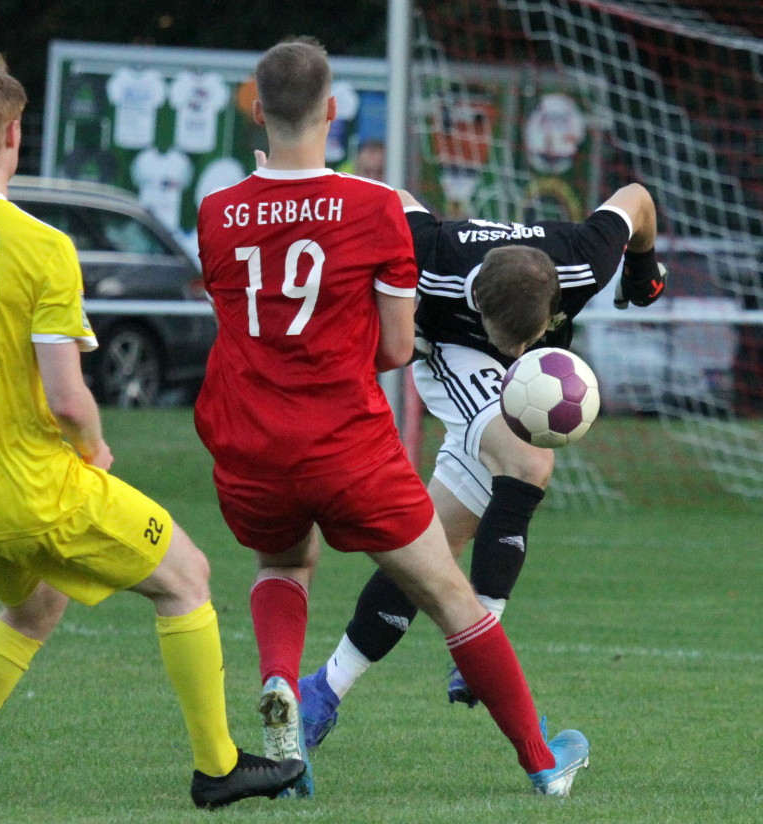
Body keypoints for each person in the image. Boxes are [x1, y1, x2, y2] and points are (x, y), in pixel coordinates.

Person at [0, 53, 304, 811]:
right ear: (14, 136)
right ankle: (219, 768)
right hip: (36, 486)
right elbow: (68, 397)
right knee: (188, 577)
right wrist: (93, 448)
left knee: (34, 607)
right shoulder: (43, 246)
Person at [194, 36, 590, 800]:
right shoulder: (375, 207)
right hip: (346, 445)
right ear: (332, 112)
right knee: (450, 596)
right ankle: (544, 761)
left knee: (282, 564)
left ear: (257, 110)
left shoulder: (216, 213)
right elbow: (398, 347)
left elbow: (238, 319)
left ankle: (283, 694)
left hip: (250, 442)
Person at [299, 180, 667, 743]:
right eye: (507, 340)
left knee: (428, 552)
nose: (518, 355)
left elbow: (637, 199)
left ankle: (322, 692)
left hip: (510, 380)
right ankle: (481, 640)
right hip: (450, 355)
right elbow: (389, 198)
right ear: (477, 305)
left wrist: (642, 274)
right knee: (529, 463)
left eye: (531, 339)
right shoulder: (434, 257)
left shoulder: (583, 259)